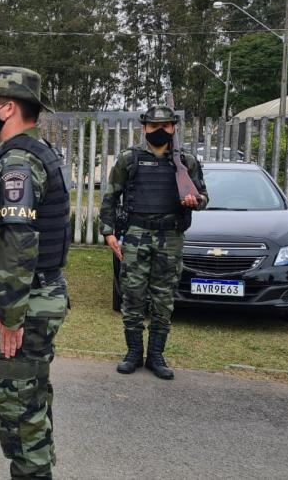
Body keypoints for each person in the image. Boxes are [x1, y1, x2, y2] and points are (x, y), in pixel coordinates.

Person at [0, 67, 71, 479]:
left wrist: (10, 316)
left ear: (9, 108)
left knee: (18, 415)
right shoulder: (30, 153)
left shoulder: (18, 162)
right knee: (30, 404)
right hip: (34, 296)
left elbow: (17, 240)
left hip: (24, 303)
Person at [99, 105, 207, 380]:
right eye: (154, 126)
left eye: (166, 126)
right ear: (144, 127)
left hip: (170, 237)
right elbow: (111, 197)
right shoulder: (129, 159)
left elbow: (204, 197)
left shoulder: (187, 161)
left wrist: (195, 202)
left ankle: (156, 355)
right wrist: (108, 232)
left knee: (163, 298)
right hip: (136, 235)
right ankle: (133, 353)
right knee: (132, 295)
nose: (160, 131)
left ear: (173, 128)